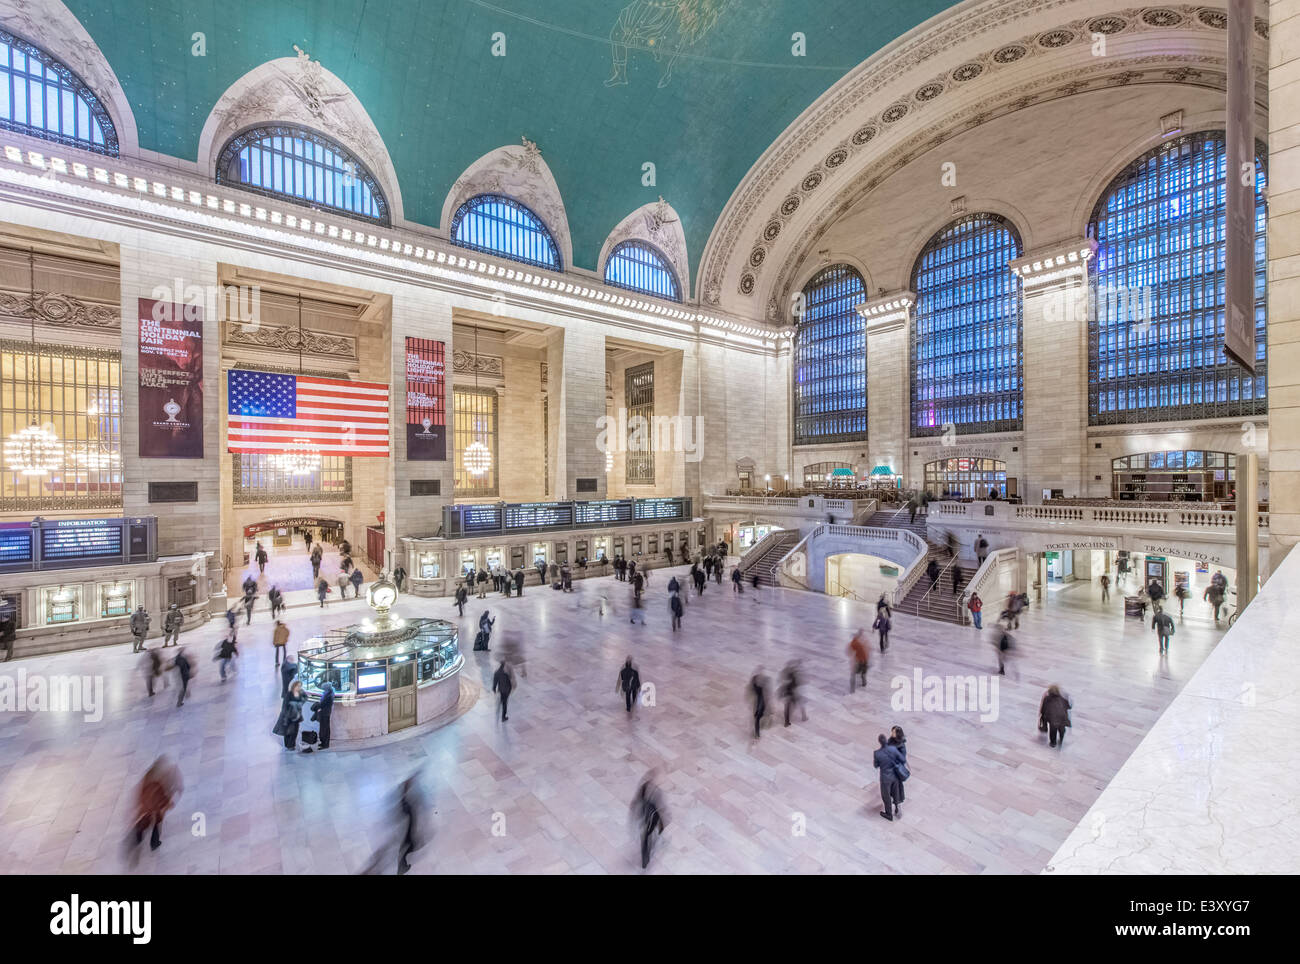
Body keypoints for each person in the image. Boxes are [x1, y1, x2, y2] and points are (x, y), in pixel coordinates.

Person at [130, 756, 182, 854]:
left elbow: (143, 787)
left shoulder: (150, 773)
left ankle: (138, 836)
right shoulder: (169, 772)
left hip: (148, 799)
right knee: (158, 819)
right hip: (158, 799)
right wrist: (170, 801)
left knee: (148, 817)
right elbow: (177, 787)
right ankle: (154, 842)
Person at [631, 772, 668, 870]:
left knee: (646, 837)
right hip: (651, 820)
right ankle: (645, 857)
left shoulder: (645, 798)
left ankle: (645, 857)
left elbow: (637, 804)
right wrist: (661, 824)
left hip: (649, 820)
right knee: (647, 837)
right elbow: (658, 812)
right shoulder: (652, 798)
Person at [873, 733, 905, 821]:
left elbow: (876, 765)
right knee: (896, 792)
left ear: (879, 742)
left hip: (885, 778)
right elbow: (902, 759)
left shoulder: (877, 753)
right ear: (886, 741)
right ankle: (897, 808)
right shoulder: (893, 749)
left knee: (886, 796)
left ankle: (888, 814)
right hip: (894, 776)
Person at [274, 680, 308, 750]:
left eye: (300, 686)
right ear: (294, 686)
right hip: (289, 716)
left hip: (297, 716)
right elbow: (284, 706)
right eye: (297, 686)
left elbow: (305, 698)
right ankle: (288, 745)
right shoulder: (289, 694)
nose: (299, 687)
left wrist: (299, 703)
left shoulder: (300, 692)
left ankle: (291, 745)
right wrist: (286, 715)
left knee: (295, 731)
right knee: (288, 731)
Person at [1038, 684, 1072, 748]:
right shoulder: (1063, 698)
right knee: (1062, 730)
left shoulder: (1047, 698)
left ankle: (1053, 743)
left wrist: (1042, 715)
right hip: (1062, 718)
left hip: (1052, 719)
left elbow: (1044, 708)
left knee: (1053, 731)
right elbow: (1069, 707)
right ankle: (1061, 739)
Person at [779, 660, 807, 727]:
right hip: (793, 692)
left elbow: (783, 683)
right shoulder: (794, 674)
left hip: (788, 692)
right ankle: (804, 717)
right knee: (800, 703)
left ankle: (787, 721)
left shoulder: (787, 673)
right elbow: (799, 682)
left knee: (788, 706)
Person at [313, 681, 334, 750]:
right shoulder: (330, 693)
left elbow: (322, 704)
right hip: (326, 713)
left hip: (325, 714)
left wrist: (318, 705)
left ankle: (324, 744)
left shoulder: (328, 696)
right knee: (325, 728)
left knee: (324, 728)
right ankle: (324, 743)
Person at [748, 671, 770, 740]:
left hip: (760, 707)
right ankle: (757, 733)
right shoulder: (760, 689)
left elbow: (754, 686)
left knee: (757, 719)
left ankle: (757, 733)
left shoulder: (758, 690)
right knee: (757, 720)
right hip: (760, 707)